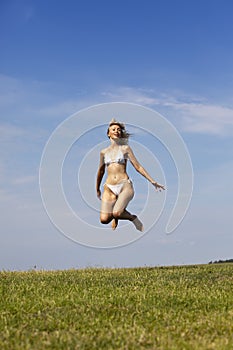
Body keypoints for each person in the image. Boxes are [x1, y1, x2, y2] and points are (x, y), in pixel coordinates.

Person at [96, 119, 165, 231]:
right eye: (113, 129)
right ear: (109, 133)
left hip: (124, 185)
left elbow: (138, 167)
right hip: (109, 187)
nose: (116, 131)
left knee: (117, 213)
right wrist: (97, 188)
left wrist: (152, 181)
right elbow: (101, 171)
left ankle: (133, 218)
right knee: (104, 220)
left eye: (118, 129)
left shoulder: (125, 149)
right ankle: (116, 215)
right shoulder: (103, 152)